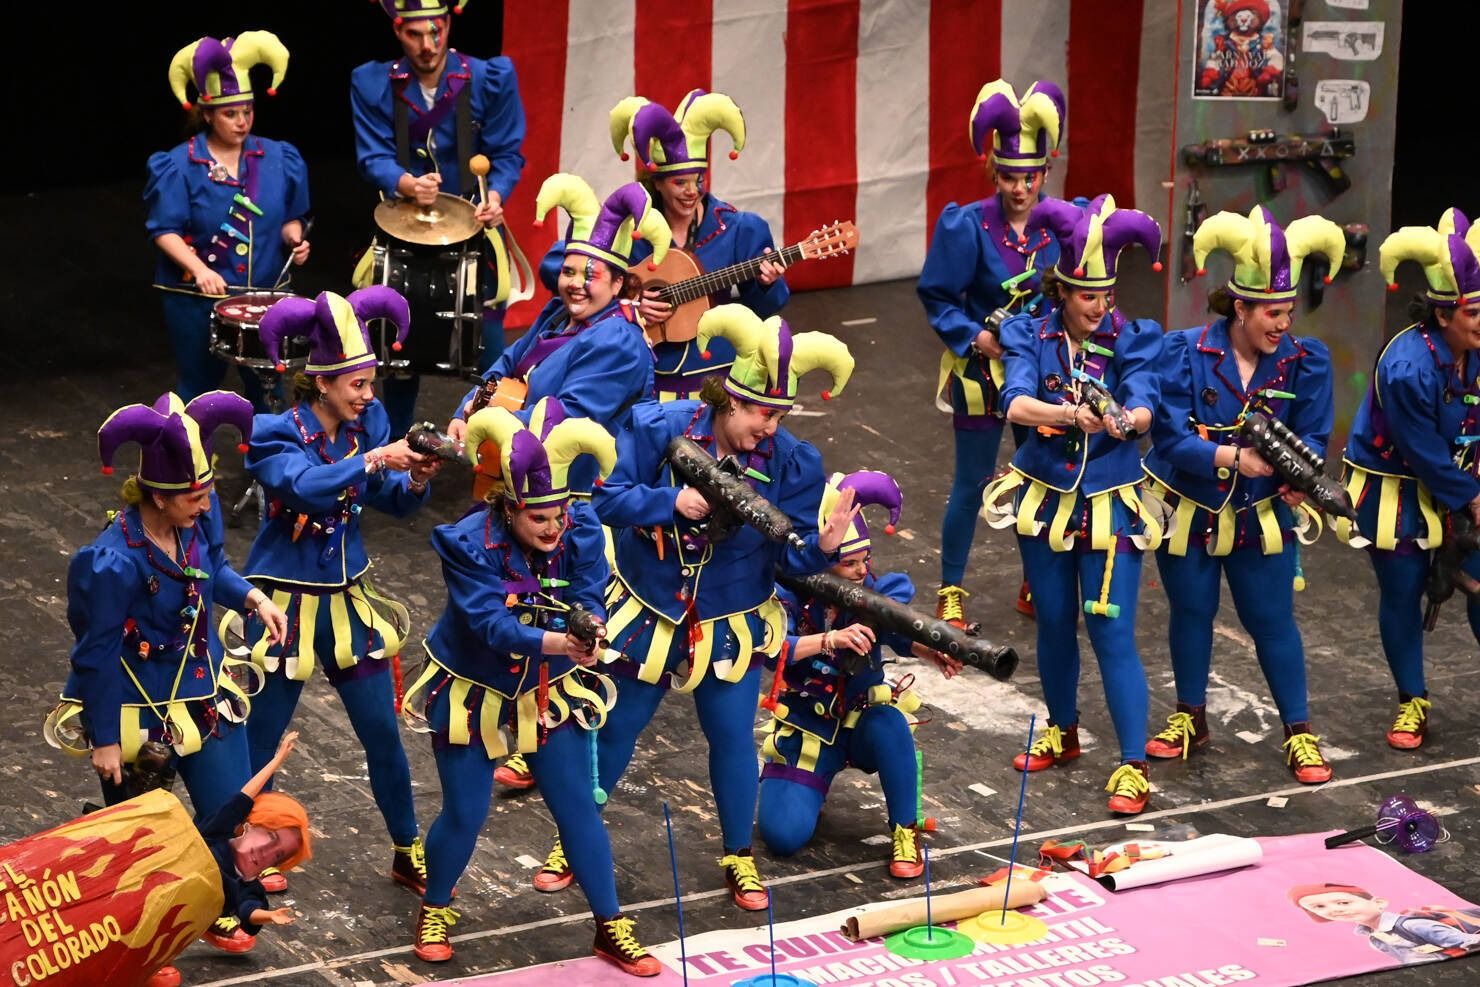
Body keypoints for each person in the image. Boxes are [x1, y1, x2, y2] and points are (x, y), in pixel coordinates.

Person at [531, 304, 858, 908]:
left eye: (782, 415)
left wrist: (820, 549)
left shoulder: (793, 462)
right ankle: (571, 840)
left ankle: (737, 855)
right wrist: (669, 504)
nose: (772, 426)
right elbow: (603, 501)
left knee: (732, 737)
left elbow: (788, 561)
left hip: (732, 621)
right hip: (649, 609)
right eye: (764, 413)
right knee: (616, 725)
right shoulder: (660, 427)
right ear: (728, 400)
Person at [401, 400, 660, 976]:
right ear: (509, 507)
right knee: (466, 814)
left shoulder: (581, 528)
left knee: (579, 811)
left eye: (560, 514)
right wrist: (561, 644)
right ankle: (436, 906)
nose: (553, 528)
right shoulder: (467, 542)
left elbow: (590, 591)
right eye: (539, 518)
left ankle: (609, 925)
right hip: (476, 689)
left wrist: (590, 625)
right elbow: (491, 624)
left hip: (549, 691)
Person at [443, 174, 670, 790]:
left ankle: (575, 775)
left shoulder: (619, 342)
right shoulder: (556, 312)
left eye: (588, 275)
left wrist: (494, 424)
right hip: (530, 488)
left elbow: (562, 417)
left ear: (618, 282)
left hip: (580, 503)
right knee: (534, 612)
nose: (572, 282)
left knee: (578, 629)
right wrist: (472, 407)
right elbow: (506, 366)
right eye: (568, 270)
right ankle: (534, 735)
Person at [54, 390, 289, 954]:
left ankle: (215, 907)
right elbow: (96, 654)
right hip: (136, 710)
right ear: (158, 496)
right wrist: (106, 740)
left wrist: (255, 599)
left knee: (227, 813)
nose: (206, 507)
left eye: (206, 494)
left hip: (202, 695)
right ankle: (149, 947)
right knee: (142, 844)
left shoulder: (193, 526)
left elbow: (216, 572)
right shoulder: (113, 561)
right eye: (194, 497)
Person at [237, 287, 442, 896]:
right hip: (286, 607)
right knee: (262, 741)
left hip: (349, 605)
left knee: (382, 732)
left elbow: (389, 503)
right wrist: (380, 458)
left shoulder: (367, 428)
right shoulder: (275, 432)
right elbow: (303, 488)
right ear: (323, 382)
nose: (369, 396)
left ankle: (408, 848)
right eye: (358, 384)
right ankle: (249, 851)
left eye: (371, 384)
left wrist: (414, 481)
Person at [1141, 207, 1347, 783]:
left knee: (1272, 619)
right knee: (1192, 612)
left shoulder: (1307, 361)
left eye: (1287, 312)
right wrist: (1233, 457)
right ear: (1241, 308)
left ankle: (1299, 731)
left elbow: (1313, 432)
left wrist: (1297, 476)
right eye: (1272, 314)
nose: (1283, 325)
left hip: (1261, 514)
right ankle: (1190, 717)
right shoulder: (1183, 352)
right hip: (1191, 507)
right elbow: (1170, 438)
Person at [981, 195, 1164, 815]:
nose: (1100, 306)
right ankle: (1062, 731)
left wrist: (1126, 420)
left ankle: (1134, 764)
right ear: (1062, 290)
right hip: (1045, 499)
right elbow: (1013, 402)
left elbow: (1144, 402)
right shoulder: (1029, 335)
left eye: (1106, 295)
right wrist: (1069, 415)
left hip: (1112, 503)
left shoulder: (1133, 337)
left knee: (1111, 630)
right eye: (1089, 296)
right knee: (1055, 622)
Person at [757, 470, 961, 878]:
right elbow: (771, 650)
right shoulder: (786, 596)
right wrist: (830, 639)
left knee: (889, 722)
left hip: (863, 720)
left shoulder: (873, 588)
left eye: (863, 560)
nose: (859, 570)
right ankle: (813, 783)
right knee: (782, 836)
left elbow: (894, 631)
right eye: (847, 562)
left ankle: (905, 830)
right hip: (809, 727)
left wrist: (928, 650)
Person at [917, 78, 1066, 630]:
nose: (1020, 188)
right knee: (972, 483)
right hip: (982, 371)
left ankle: (1036, 584)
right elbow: (937, 295)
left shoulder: (1064, 223)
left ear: (1045, 172)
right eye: (1009, 176)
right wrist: (979, 338)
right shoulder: (968, 225)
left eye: (1030, 176)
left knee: (1040, 477)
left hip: (1046, 376)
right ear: (994, 172)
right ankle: (950, 590)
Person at [1335, 210, 1480, 749]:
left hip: (1463, 475)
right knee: (1403, 591)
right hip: (1395, 487)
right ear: (1444, 316)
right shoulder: (1407, 367)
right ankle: (1411, 702)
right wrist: (1472, 496)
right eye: (1475, 313)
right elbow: (1421, 452)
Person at [352, 0, 528, 437]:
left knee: (492, 356)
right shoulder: (372, 82)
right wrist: (405, 183)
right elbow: (371, 154)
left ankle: (498, 451)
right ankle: (392, 449)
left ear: (449, 23)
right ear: (397, 31)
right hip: (404, 230)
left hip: (474, 232)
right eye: (415, 34)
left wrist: (497, 196)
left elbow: (507, 154)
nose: (428, 45)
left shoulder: (490, 77)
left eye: (436, 31)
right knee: (396, 352)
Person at [147, 31, 310, 412]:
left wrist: (296, 239)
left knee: (269, 388)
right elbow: (163, 230)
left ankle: (276, 464)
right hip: (197, 297)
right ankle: (179, 462)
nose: (242, 122)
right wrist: (199, 269)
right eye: (230, 114)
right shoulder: (178, 165)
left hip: (264, 294)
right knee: (199, 384)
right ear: (206, 114)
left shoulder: (279, 157)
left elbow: (291, 218)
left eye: (247, 112)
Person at [610, 90, 789, 401]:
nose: (692, 191)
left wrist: (767, 284)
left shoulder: (741, 228)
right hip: (649, 374)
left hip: (720, 372)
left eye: (699, 179)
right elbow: (593, 289)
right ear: (657, 183)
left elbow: (765, 309)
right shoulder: (628, 230)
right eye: (680, 183)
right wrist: (630, 307)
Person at [1290, 882, 1480, 964]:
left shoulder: (1411, 925)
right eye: (1319, 907)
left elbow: (1468, 941)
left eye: (1344, 902)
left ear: (1379, 903)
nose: (1334, 910)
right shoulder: (1373, 937)